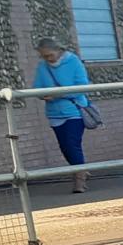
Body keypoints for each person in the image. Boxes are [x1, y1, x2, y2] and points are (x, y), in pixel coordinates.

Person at [32, 39, 92, 193]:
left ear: (58, 50)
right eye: (44, 56)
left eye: (50, 55)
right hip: (54, 113)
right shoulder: (42, 66)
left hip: (74, 110)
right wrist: (43, 95)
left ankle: (79, 178)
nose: (48, 59)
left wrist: (58, 94)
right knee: (64, 147)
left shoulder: (73, 62)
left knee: (72, 144)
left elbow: (82, 86)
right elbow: (37, 87)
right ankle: (81, 169)